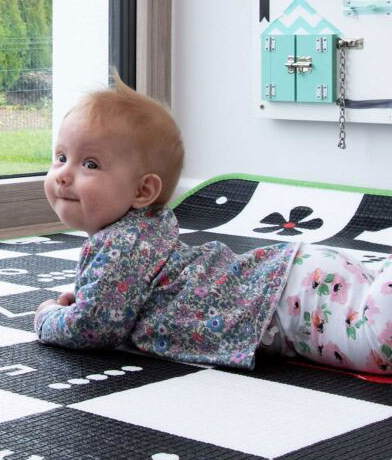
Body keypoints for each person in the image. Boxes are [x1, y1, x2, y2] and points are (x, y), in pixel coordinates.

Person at [34, 75, 392, 374]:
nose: (63, 175)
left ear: (144, 190)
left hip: (292, 300)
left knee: (380, 345)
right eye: (61, 157)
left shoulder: (119, 245)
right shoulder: (146, 228)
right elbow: (106, 306)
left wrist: (50, 318)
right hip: (300, 277)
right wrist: (84, 302)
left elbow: (94, 328)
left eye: (90, 164)